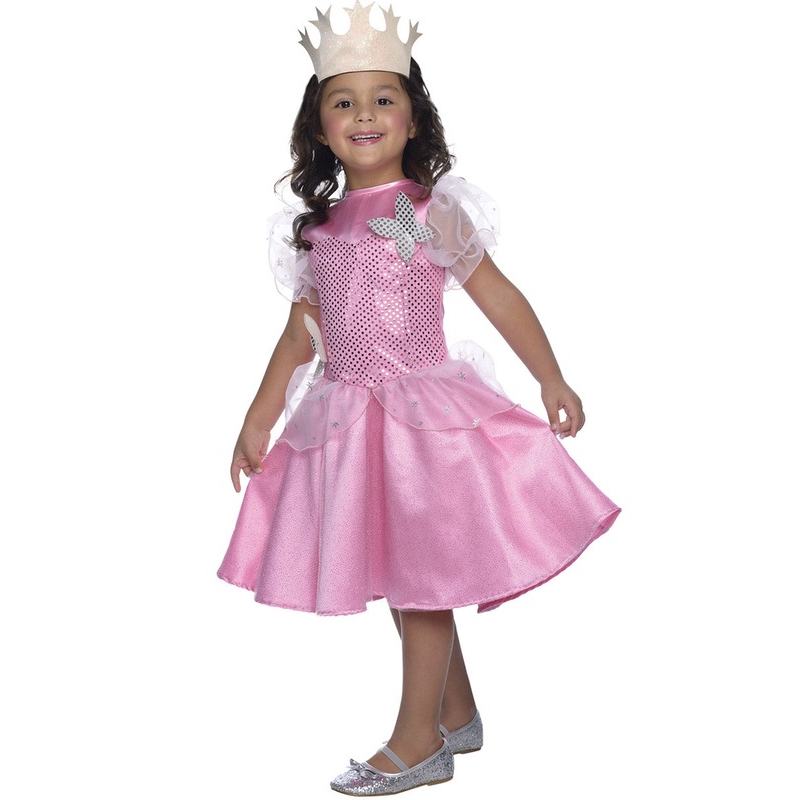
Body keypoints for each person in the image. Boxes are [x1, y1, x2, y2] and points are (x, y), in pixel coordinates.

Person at [217, 3, 621, 795]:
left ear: (412, 118)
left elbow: (495, 293)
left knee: (423, 575)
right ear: (320, 128)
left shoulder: (416, 211)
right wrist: (257, 420)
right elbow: (302, 335)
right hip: (348, 417)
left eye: (383, 98)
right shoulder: (320, 231)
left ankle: (417, 741)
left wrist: (550, 376)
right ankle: (456, 713)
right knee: (407, 572)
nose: (364, 114)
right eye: (344, 102)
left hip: (420, 421)